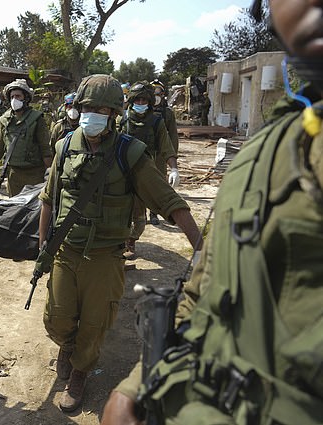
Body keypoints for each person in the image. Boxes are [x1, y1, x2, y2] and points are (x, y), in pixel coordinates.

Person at [102, 0, 323, 423]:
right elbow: (208, 291)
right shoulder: (264, 153)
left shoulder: (163, 117)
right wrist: (138, 384)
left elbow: (165, 141)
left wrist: (171, 166)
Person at [35, 74, 202, 413]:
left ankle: (80, 370)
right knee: (58, 317)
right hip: (66, 250)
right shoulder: (65, 147)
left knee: (95, 322)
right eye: (86, 107)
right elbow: (48, 198)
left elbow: (168, 201)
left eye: (100, 108)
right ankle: (67, 345)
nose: (91, 114)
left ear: (113, 113)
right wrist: (43, 245)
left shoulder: (130, 153)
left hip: (105, 255)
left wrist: (200, 248)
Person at [119, 81, 180, 260]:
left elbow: (166, 146)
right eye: (137, 100)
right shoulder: (121, 119)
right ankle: (117, 240)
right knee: (117, 209)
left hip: (144, 171)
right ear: (131, 101)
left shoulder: (156, 122)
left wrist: (174, 168)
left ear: (150, 102)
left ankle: (131, 240)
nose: (140, 104)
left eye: (144, 100)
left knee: (139, 215)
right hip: (121, 170)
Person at [0, 79, 53, 197]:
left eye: (18, 96)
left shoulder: (36, 119)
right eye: (12, 97)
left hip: (34, 174)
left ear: (26, 98)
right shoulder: (4, 120)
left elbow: (45, 149)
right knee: (14, 208)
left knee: (33, 209)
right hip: (13, 175)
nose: (14, 100)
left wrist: (50, 172)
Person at [150, 79, 180, 224]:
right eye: (153, 93)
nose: (156, 96)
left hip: (160, 154)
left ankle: (153, 213)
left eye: (158, 93)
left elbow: (173, 135)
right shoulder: (142, 111)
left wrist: (172, 160)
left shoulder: (167, 113)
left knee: (158, 183)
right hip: (142, 152)